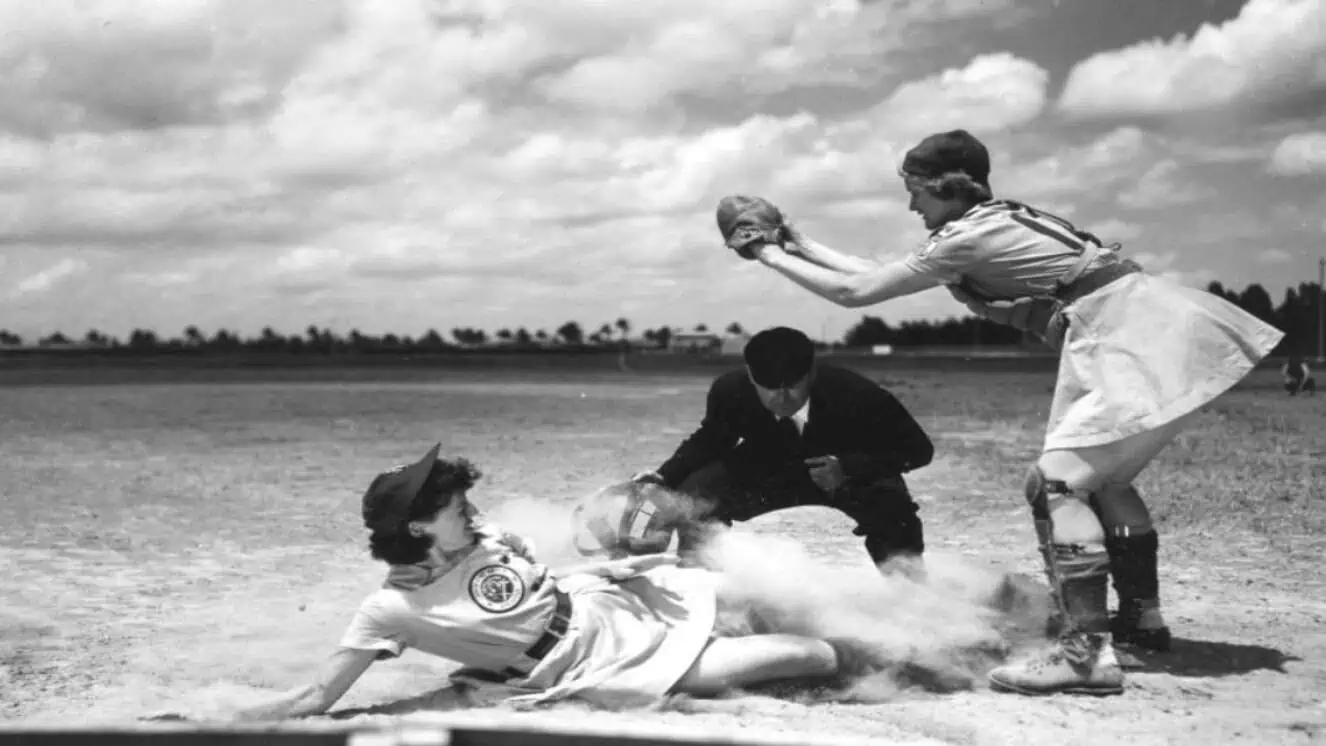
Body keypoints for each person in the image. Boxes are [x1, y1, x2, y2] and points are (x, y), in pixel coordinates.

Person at [724, 129, 1285, 696]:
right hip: (1155, 323)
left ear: (947, 187)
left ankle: (1085, 655)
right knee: (1103, 481)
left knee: (1057, 485)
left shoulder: (965, 239)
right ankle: (1141, 618)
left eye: (916, 190)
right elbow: (872, 271)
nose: (911, 204)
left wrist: (766, 253)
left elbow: (856, 293)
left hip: (1124, 333)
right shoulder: (990, 222)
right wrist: (799, 240)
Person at [164, 444, 888, 721]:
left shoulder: (486, 537)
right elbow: (315, 698)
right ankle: (889, 666)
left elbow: (552, 583)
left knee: (757, 592)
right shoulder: (389, 610)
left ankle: (906, 630)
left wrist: (617, 562)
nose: (471, 509)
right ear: (418, 527)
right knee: (799, 658)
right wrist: (210, 723)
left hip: (612, 600)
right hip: (592, 665)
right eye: (453, 505)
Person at [630, 325, 935, 572]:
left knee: (894, 510)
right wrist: (662, 476)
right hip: (769, 468)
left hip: (844, 471)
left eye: (792, 386)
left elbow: (919, 449)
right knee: (696, 493)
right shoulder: (730, 390)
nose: (782, 398)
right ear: (750, 375)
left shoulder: (856, 393)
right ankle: (702, 583)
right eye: (769, 387)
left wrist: (849, 467)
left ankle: (909, 594)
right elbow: (711, 440)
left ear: (811, 374)